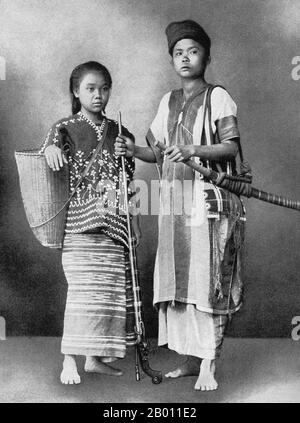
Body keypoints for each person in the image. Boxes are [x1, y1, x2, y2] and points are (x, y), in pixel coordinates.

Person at [115, 20, 245, 391]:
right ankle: (190, 360)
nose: (185, 58)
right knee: (180, 285)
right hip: (174, 205)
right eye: (178, 53)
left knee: (207, 282)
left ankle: (208, 364)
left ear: (207, 55)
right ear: (171, 60)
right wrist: (132, 150)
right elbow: (156, 152)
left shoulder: (218, 97)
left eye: (193, 51)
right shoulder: (168, 101)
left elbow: (230, 147)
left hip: (209, 204)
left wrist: (192, 149)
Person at [40, 61, 141, 384]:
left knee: (108, 294)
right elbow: (44, 154)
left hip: (114, 224)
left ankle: (95, 358)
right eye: (90, 89)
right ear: (76, 92)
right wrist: (52, 149)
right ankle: (70, 359)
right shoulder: (64, 128)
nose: (99, 95)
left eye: (104, 88)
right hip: (79, 223)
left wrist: (134, 223)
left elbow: (129, 185)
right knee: (82, 293)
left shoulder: (122, 133)